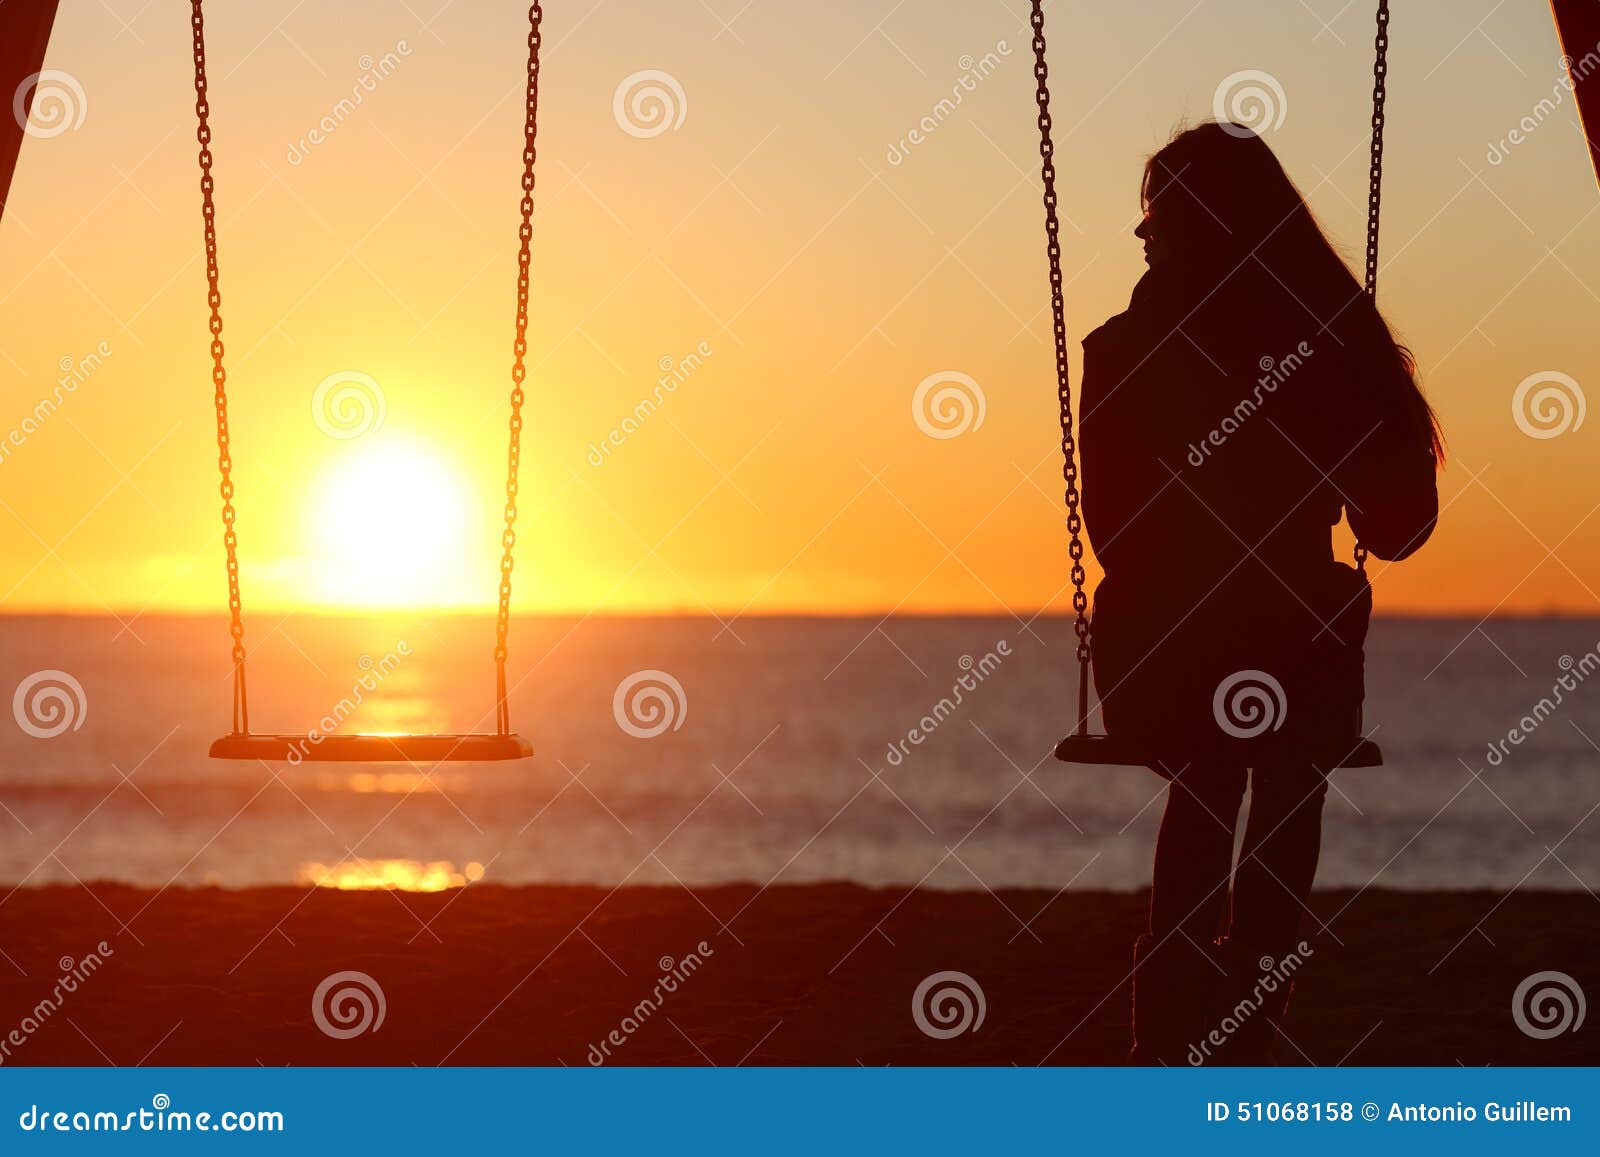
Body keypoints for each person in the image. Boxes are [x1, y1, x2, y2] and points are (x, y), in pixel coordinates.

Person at [1078, 123, 1443, 1064]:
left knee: (1217, 769)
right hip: (1272, 645)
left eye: (1155, 213)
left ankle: (1175, 1021)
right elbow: (1398, 527)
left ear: (1204, 223)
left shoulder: (1127, 349)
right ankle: (1248, 1009)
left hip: (1164, 645)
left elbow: (1114, 529)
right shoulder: (1326, 339)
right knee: (1284, 765)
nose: (1141, 236)